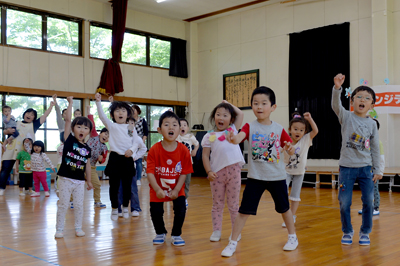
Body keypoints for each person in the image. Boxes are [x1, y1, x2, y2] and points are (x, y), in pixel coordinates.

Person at [222, 86, 297, 257]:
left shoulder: (278, 129)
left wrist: (290, 149)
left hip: (277, 177)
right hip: (256, 177)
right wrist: (234, 139)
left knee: (285, 209)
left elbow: (290, 147)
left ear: (273, 107)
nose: (259, 107)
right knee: (243, 211)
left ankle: (293, 237)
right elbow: (239, 137)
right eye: (255, 103)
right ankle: (232, 242)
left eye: (264, 103)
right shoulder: (250, 126)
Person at [332, 73, 383, 246]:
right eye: (358, 97)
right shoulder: (346, 117)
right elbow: (335, 105)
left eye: (367, 98)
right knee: (344, 202)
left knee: (368, 201)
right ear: (352, 101)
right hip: (346, 168)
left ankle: (365, 232)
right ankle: (347, 231)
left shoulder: (372, 124)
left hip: (366, 168)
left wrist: (378, 169)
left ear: (372, 105)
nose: (362, 100)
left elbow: (375, 148)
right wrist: (337, 88)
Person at [146, 111, 193, 246]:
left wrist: (177, 189)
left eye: (174, 125)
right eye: (166, 125)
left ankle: (176, 234)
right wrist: (157, 189)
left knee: (181, 210)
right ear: (160, 130)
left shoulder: (184, 150)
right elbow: (149, 172)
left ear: (179, 129)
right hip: (157, 187)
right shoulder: (154, 149)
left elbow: (184, 172)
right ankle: (160, 232)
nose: (171, 127)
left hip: (177, 188)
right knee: (155, 211)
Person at [201, 101, 245, 242]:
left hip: (234, 171)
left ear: (231, 119)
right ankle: (216, 231)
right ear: (214, 117)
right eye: (218, 114)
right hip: (217, 173)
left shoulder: (233, 129)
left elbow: (241, 113)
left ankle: (235, 232)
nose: (221, 117)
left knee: (233, 205)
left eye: (225, 115)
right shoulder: (209, 136)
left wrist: (228, 103)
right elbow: (205, 156)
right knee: (217, 204)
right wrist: (209, 171)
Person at [95, 93, 139, 220]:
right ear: (113, 114)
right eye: (117, 111)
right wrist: (98, 102)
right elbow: (101, 116)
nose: (120, 113)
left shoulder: (130, 127)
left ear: (128, 114)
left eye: (123, 110)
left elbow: (136, 142)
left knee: (127, 186)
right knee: (113, 187)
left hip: (127, 159)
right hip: (115, 159)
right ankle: (115, 208)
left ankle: (126, 207)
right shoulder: (112, 126)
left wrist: (131, 150)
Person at [55, 96, 93, 238]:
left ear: (88, 131)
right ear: (73, 129)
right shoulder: (69, 139)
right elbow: (67, 120)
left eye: (85, 127)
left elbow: (87, 165)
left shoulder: (87, 148)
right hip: (65, 179)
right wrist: (70, 103)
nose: (82, 129)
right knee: (63, 205)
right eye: (78, 126)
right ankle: (59, 229)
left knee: (78, 205)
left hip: (79, 181)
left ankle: (78, 227)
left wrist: (88, 181)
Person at [0, 103, 54, 196]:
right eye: (28, 113)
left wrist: (51, 106)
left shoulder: (34, 125)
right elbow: (6, 130)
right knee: (5, 169)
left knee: (27, 171)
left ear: (34, 118)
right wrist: (7, 131)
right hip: (11, 149)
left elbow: (45, 115)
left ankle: (27, 189)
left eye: (32, 115)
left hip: (25, 152)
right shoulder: (16, 122)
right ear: (24, 114)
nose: (29, 115)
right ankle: (1, 188)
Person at [283, 111, 318, 227]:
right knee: (282, 192)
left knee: (295, 196)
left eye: (301, 130)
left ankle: (291, 216)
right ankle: (286, 215)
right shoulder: (286, 141)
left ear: (305, 132)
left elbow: (316, 131)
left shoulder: (306, 140)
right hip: (286, 171)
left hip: (299, 172)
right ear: (290, 129)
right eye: (295, 129)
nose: (298, 132)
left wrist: (310, 119)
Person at [117, 116, 147, 217]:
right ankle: (119, 209)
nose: (130, 125)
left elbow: (143, 149)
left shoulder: (137, 138)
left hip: (130, 168)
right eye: (127, 123)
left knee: (133, 189)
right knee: (119, 188)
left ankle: (135, 208)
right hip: (119, 167)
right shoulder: (120, 137)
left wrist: (135, 157)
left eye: (132, 123)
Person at [358, 118, 385, 216]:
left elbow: (381, 158)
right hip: (364, 169)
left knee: (374, 189)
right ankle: (366, 207)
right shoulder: (364, 141)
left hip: (373, 170)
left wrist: (380, 172)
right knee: (364, 190)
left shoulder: (378, 142)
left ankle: (375, 207)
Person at [86, 105, 109, 208]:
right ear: (101, 133)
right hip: (81, 164)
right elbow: (92, 124)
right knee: (75, 184)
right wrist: (88, 111)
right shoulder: (94, 135)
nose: (106, 136)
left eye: (108, 136)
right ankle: (71, 201)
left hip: (91, 168)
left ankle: (97, 201)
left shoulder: (105, 148)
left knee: (98, 185)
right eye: (105, 134)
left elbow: (103, 159)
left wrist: (101, 160)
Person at [177, 118, 199, 208]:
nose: (182, 127)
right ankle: (177, 198)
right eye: (180, 125)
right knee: (177, 182)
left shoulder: (190, 137)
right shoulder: (176, 136)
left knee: (187, 182)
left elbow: (197, 144)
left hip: (188, 164)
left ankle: (184, 198)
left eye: (184, 125)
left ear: (188, 128)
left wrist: (195, 150)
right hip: (177, 164)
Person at [132, 104, 148, 186]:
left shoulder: (142, 120)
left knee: (138, 161)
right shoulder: (129, 120)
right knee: (131, 160)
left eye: (134, 110)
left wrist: (142, 141)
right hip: (131, 142)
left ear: (137, 111)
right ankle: (132, 178)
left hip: (140, 142)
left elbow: (146, 132)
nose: (132, 111)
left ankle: (138, 179)